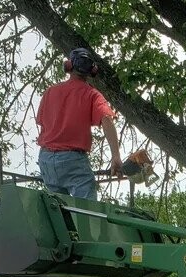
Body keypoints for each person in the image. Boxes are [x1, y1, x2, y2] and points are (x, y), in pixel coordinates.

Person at [36, 47, 122, 201]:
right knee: (86, 208)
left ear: (69, 66)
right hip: (73, 160)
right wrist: (116, 156)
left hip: (46, 159)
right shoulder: (92, 94)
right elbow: (107, 119)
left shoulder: (50, 92)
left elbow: (42, 123)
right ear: (92, 70)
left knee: (58, 208)